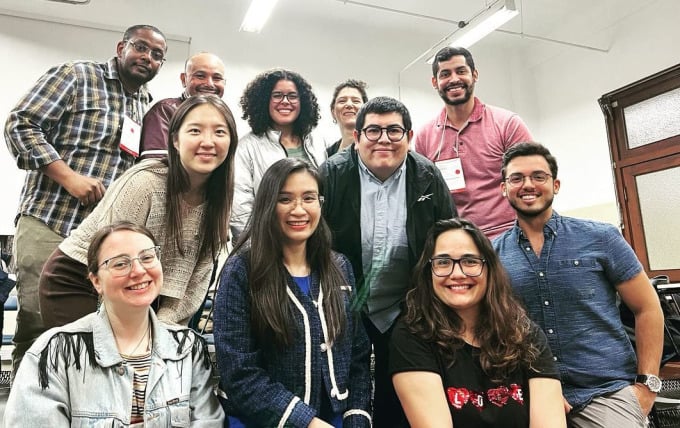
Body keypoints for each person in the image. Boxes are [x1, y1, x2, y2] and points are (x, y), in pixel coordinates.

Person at [4, 24, 167, 375]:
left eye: (157, 55)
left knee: (90, 334)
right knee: (38, 324)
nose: (147, 58)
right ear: (122, 46)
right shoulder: (78, 76)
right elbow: (20, 124)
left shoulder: (146, 105)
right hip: (51, 219)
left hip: (100, 241)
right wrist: (69, 178)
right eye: (141, 48)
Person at [493, 142, 664, 427]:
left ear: (555, 185)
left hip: (605, 392)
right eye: (516, 178)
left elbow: (647, 307)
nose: (527, 185)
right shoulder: (492, 254)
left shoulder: (602, 238)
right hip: (532, 391)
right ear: (503, 188)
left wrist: (647, 387)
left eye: (538, 176)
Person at [39, 94, 237, 328]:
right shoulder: (145, 183)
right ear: (174, 140)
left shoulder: (219, 199)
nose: (208, 141)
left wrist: (164, 327)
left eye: (219, 132)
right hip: (81, 280)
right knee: (96, 360)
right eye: (195, 131)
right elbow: (111, 264)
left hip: (140, 290)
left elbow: (196, 281)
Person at [4, 221, 224, 426]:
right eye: (120, 263)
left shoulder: (187, 349)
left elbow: (208, 421)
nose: (138, 271)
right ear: (96, 281)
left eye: (147, 258)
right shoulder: (54, 353)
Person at [320, 96, 455, 427]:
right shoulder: (333, 174)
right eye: (374, 131)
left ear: (409, 137)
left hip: (406, 304)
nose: (383, 139)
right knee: (347, 387)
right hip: (347, 304)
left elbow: (449, 236)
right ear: (357, 137)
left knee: (400, 389)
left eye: (394, 131)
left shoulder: (427, 176)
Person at [214, 158, 371, 427]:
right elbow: (239, 372)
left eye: (309, 198)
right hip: (263, 420)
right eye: (285, 199)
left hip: (333, 418)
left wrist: (357, 418)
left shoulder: (341, 267)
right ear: (267, 205)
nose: (299, 210)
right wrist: (307, 422)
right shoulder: (241, 270)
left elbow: (356, 356)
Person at [389, 218, 566, 428]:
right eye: (443, 262)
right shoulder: (412, 336)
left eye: (470, 261)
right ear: (429, 272)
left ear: (489, 269)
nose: (457, 274)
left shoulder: (524, 332)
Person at [413, 46, 533, 239]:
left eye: (461, 71)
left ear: (474, 75)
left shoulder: (507, 124)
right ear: (435, 82)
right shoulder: (424, 137)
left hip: (509, 236)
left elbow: (531, 183)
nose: (454, 79)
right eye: (445, 74)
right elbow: (426, 199)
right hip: (457, 243)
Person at [230, 68, 327, 241]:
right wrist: (253, 253)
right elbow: (240, 209)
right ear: (264, 101)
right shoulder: (247, 147)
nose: (285, 101)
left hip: (312, 242)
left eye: (292, 96)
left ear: (302, 102)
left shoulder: (317, 142)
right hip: (267, 245)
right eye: (277, 95)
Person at [139, 51, 227, 159]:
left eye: (217, 78)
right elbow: (156, 166)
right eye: (200, 76)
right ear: (184, 79)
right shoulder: (165, 111)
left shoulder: (225, 117)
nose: (209, 83)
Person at [326, 79, 368, 157]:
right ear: (333, 112)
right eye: (342, 101)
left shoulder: (375, 147)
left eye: (355, 101)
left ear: (366, 110)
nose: (349, 104)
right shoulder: (327, 154)